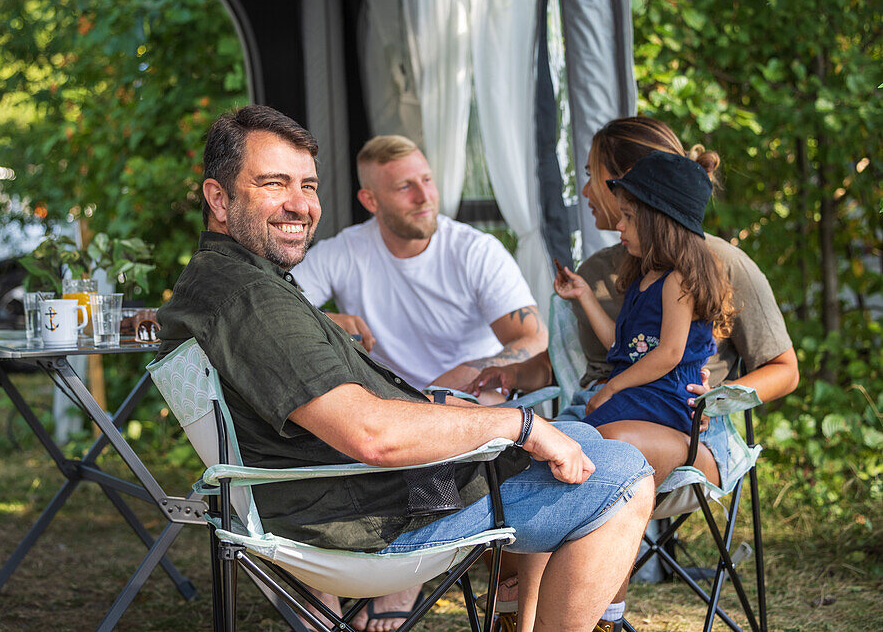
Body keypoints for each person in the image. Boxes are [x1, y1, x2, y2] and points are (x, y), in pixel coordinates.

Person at [157, 104, 656, 632]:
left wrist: (455, 410)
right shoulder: (252, 298)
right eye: (274, 184)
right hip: (373, 516)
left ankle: (523, 618)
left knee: (582, 439)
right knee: (624, 475)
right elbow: (372, 436)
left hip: (349, 495)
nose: (299, 205)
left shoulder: (221, 281)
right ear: (218, 197)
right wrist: (517, 424)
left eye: (307, 186)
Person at [466, 116, 798, 631]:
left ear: (630, 185)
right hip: (602, 413)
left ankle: (598, 617)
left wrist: (720, 398)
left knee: (601, 459)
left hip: (688, 431)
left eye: (593, 174)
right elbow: (588, 357)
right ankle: (524, 613)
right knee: (525, 461)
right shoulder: (606, 267)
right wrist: (503, 376)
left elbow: (783, 369)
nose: (583, 189)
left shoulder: (719, 264)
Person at [292, 135, 547, 397]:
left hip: (470, 399)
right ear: (371, 201)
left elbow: (534, 339)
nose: (424, 197)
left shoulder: (477, 251)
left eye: (427, 180)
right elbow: (275, 301)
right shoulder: (344, 251)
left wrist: (465, 374)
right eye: (405, 187)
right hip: (389, 405)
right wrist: (325, 321)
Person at [554, 151, 734, 437]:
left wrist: (611, 387)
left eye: (628, 217)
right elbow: (624, 344)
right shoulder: (644, 278)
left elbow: (669, 354)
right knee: (570, 436)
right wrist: (585, 295)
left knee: (580, 438)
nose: (619, 225)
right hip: (643, 393)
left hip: (667, 397)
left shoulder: (678, 281)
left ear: (658, 224)